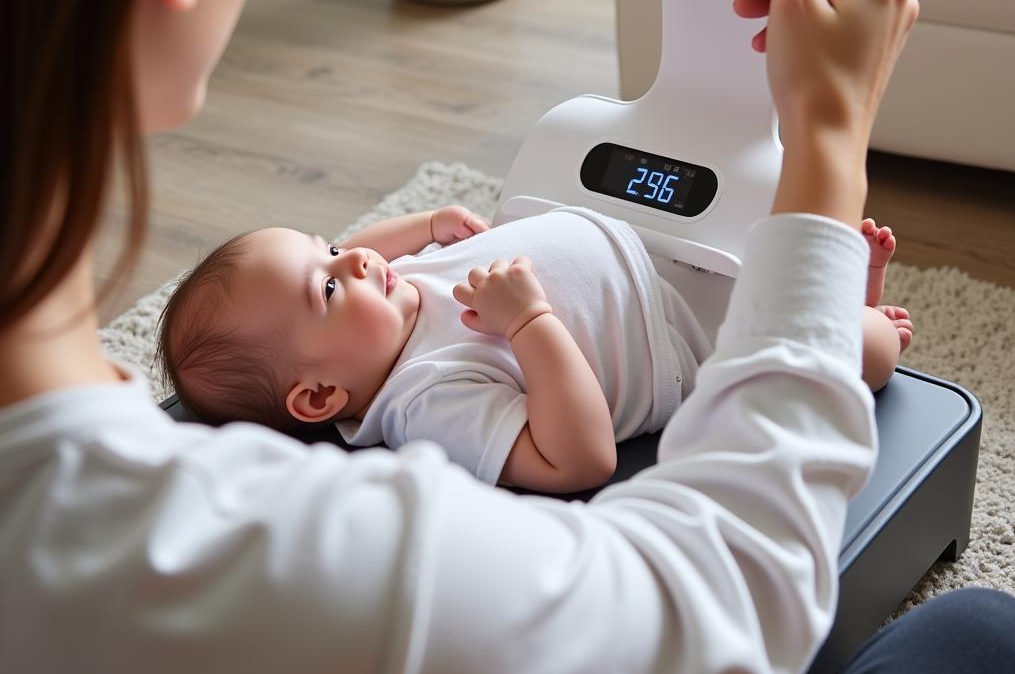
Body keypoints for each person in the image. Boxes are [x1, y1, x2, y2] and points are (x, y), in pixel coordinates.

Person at [1, 0, 1015, 674]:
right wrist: (828, 143)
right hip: (666, 339)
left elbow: (354, 252)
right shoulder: (339, 529)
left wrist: (416, 241)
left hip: (617, 262)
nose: (350, 267)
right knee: (983, 634)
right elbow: (733, 594)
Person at [158, 206, 912, 492]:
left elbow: (354, 247)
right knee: (851, 347)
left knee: (767, 254)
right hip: (684, 346)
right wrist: (529, 324)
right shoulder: (429, 398)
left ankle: (841, 293)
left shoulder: (379, 301)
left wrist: (423, 226)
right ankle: (865, 313)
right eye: (325, 286)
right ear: (320, 396)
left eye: (324, 247)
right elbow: (579, 458)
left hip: (647, 265)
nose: (352, 261)